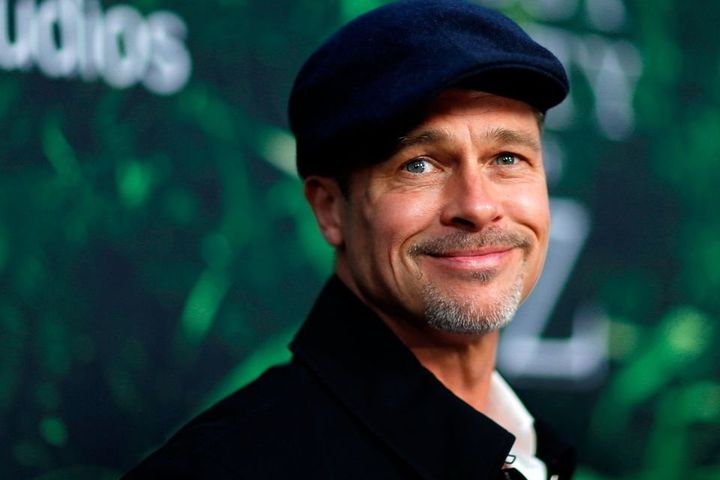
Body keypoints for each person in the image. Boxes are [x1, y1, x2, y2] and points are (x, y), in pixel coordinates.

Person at [123, 0, 575, 478]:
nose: (478, 206)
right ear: (330, 209)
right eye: (419, 165)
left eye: (507, 158)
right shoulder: (222, 468)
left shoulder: (530, 449)